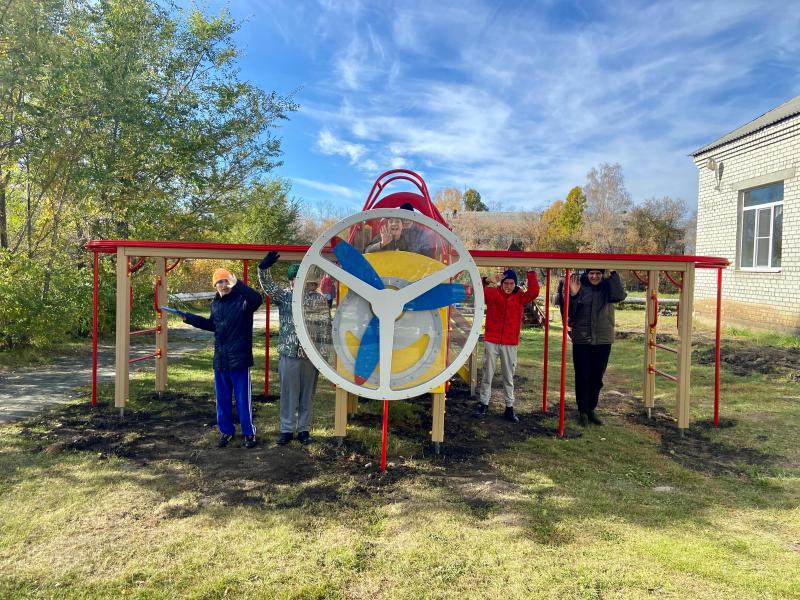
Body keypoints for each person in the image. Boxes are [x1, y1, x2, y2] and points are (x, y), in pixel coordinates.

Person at [182, 268, 263, 448]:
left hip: (239, 360)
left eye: (226, 281)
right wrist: (190, 318)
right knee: (223, 400)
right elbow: (213, 325)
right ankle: (226, 432)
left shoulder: (242, 300)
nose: (223, 285)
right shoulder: (215, 304)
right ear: (215, 285)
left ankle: (249, 434)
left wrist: (239, 285)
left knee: (243, 400)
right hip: (220, 360)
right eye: (220, 282)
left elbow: (257, 299)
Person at [258, 251, 331, 445]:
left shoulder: (319, 299)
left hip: (311, 355)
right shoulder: (285, 296)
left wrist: (324, 356)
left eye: (301, 279)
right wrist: (263, 269)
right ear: (290, 281)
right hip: (289, 353)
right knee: (289, 394)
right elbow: (270, 287)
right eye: (293, 279)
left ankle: (304, 430)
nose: (296, 282)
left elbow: (325, 327)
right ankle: (287, 429)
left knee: (307, 395)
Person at [556, 269, 627, 426]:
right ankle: (582, 411)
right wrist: (573, 295)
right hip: (582, 339)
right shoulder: (578, 284)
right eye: (591, 273)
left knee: (597, 378)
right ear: (586, 274)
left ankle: (591, 410)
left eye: (598, 273)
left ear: (603, 274)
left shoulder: (608, 286)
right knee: (582, 376)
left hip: (603, 339)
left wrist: (613, 274)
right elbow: (568, 312)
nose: (594, 276)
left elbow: (619, 296)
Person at [474, 268, 540, 422]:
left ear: (515, 284)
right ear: (501, 283)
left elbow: (534, 291)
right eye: (506, 283)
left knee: (508, 376)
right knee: (487, 374)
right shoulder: (492, 294)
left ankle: (509, 407)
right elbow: (477, 290)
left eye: (511, 283)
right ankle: (483, 404)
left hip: (510, 342)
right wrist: (487, 280)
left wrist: (530, 273)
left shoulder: (520, 297)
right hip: (492, 340)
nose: (508, 286)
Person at [364, 203, 435, 256]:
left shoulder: (405, 241)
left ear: (402, 226)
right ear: (387, 225)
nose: (394, 224)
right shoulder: (381, 237)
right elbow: (366, 251)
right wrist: (382, 244)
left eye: (397, 221)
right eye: (391, 221)